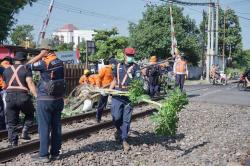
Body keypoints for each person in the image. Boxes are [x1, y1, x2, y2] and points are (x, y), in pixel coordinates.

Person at [27, 39, 65, 163]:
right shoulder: (60, 62)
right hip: (58, 99)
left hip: (45, 100)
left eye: (41, 50)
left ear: (46, 50)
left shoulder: (44, 63)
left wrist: (40, 55)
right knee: (56, 126)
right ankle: (55, 153)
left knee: (44, 127)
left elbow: (27, 66)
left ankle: (43, 155)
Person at [3, 52, 36, 147]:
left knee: (11, 122)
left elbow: (5, 85)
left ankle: (14, 143)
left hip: (9, 97)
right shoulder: (26, 69)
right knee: (30, 113)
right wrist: (36, 96)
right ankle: (25, 130)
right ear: (24, 60)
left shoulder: (6, 70)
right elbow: (30, 83)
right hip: (23, 96)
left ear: (15, 60)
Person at [109, 47, 139, 152]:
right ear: (124, 54)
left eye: (132, 55)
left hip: (129, 96)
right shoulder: (117, 66)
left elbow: (138, 82)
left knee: (126, 120)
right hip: (117, 95)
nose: (130, 57)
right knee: (116, 117)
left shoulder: (136, 67)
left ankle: (124, 139)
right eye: (128, 55)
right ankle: (119, 131)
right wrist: (109, 90)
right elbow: (114, 80)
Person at [0, 56, 12, 130]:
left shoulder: (2, 66)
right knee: (4, 109)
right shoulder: (4, 67)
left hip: (2, 89)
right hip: (3, 89)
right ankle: (4, 127)